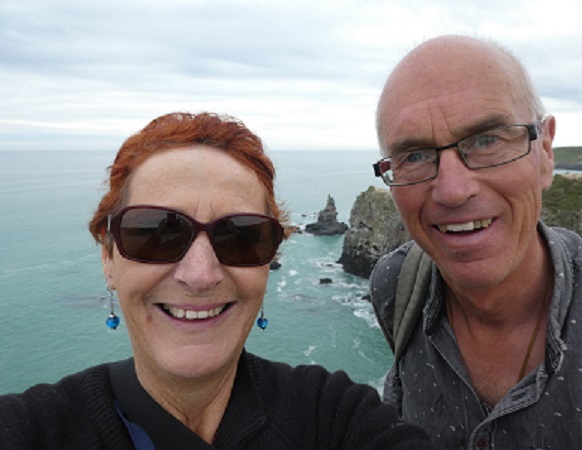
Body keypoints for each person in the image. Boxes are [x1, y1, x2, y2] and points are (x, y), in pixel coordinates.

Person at [0, 112, 437, 450]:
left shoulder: (334, 416)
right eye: (157, 232)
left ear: (270, 260)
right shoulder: (32, 429)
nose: (200, 274)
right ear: (108, 257)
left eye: (242, 236)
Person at [370, 35, 582, 449]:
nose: (453, 190)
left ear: (545, 151)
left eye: (487, 140)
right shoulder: (396, 287)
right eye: (416, 155)